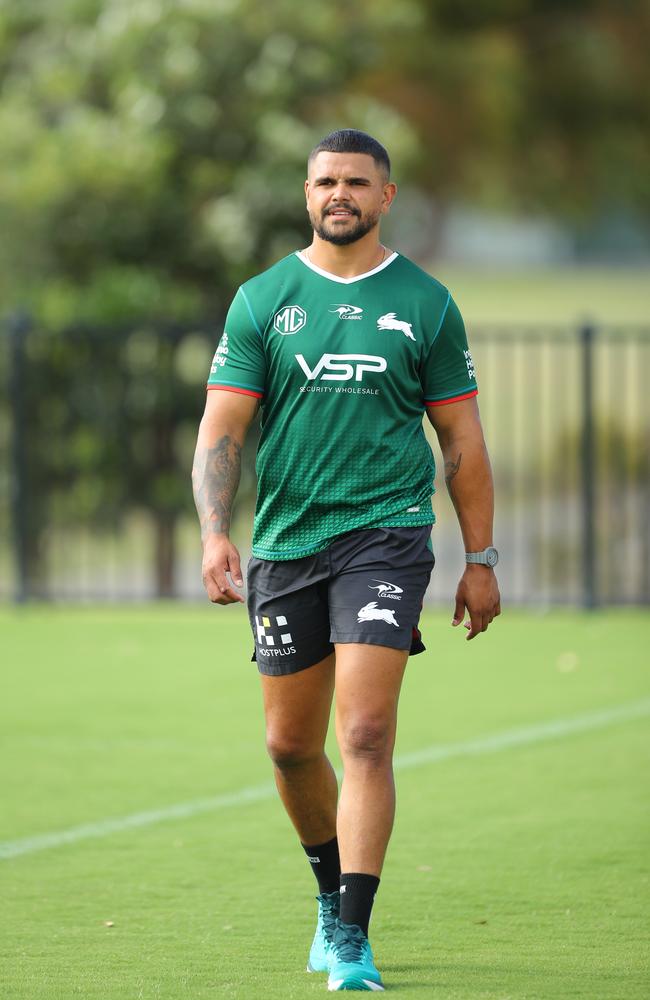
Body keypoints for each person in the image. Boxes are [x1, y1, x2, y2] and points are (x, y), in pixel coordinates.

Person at [192, 129, 500, 992]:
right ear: (306, 193)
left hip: (388, 536)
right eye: (326, 181)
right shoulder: (263, 299)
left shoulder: (427, 302)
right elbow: (222, 428)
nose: (340, 194)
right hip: (288, 542)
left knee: (363, 733)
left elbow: (462, 440)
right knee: (290, 746)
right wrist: (217, 530)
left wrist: (481, 557)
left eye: (356, 182)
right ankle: (329, 897)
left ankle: (354, 936)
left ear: (385, 196)